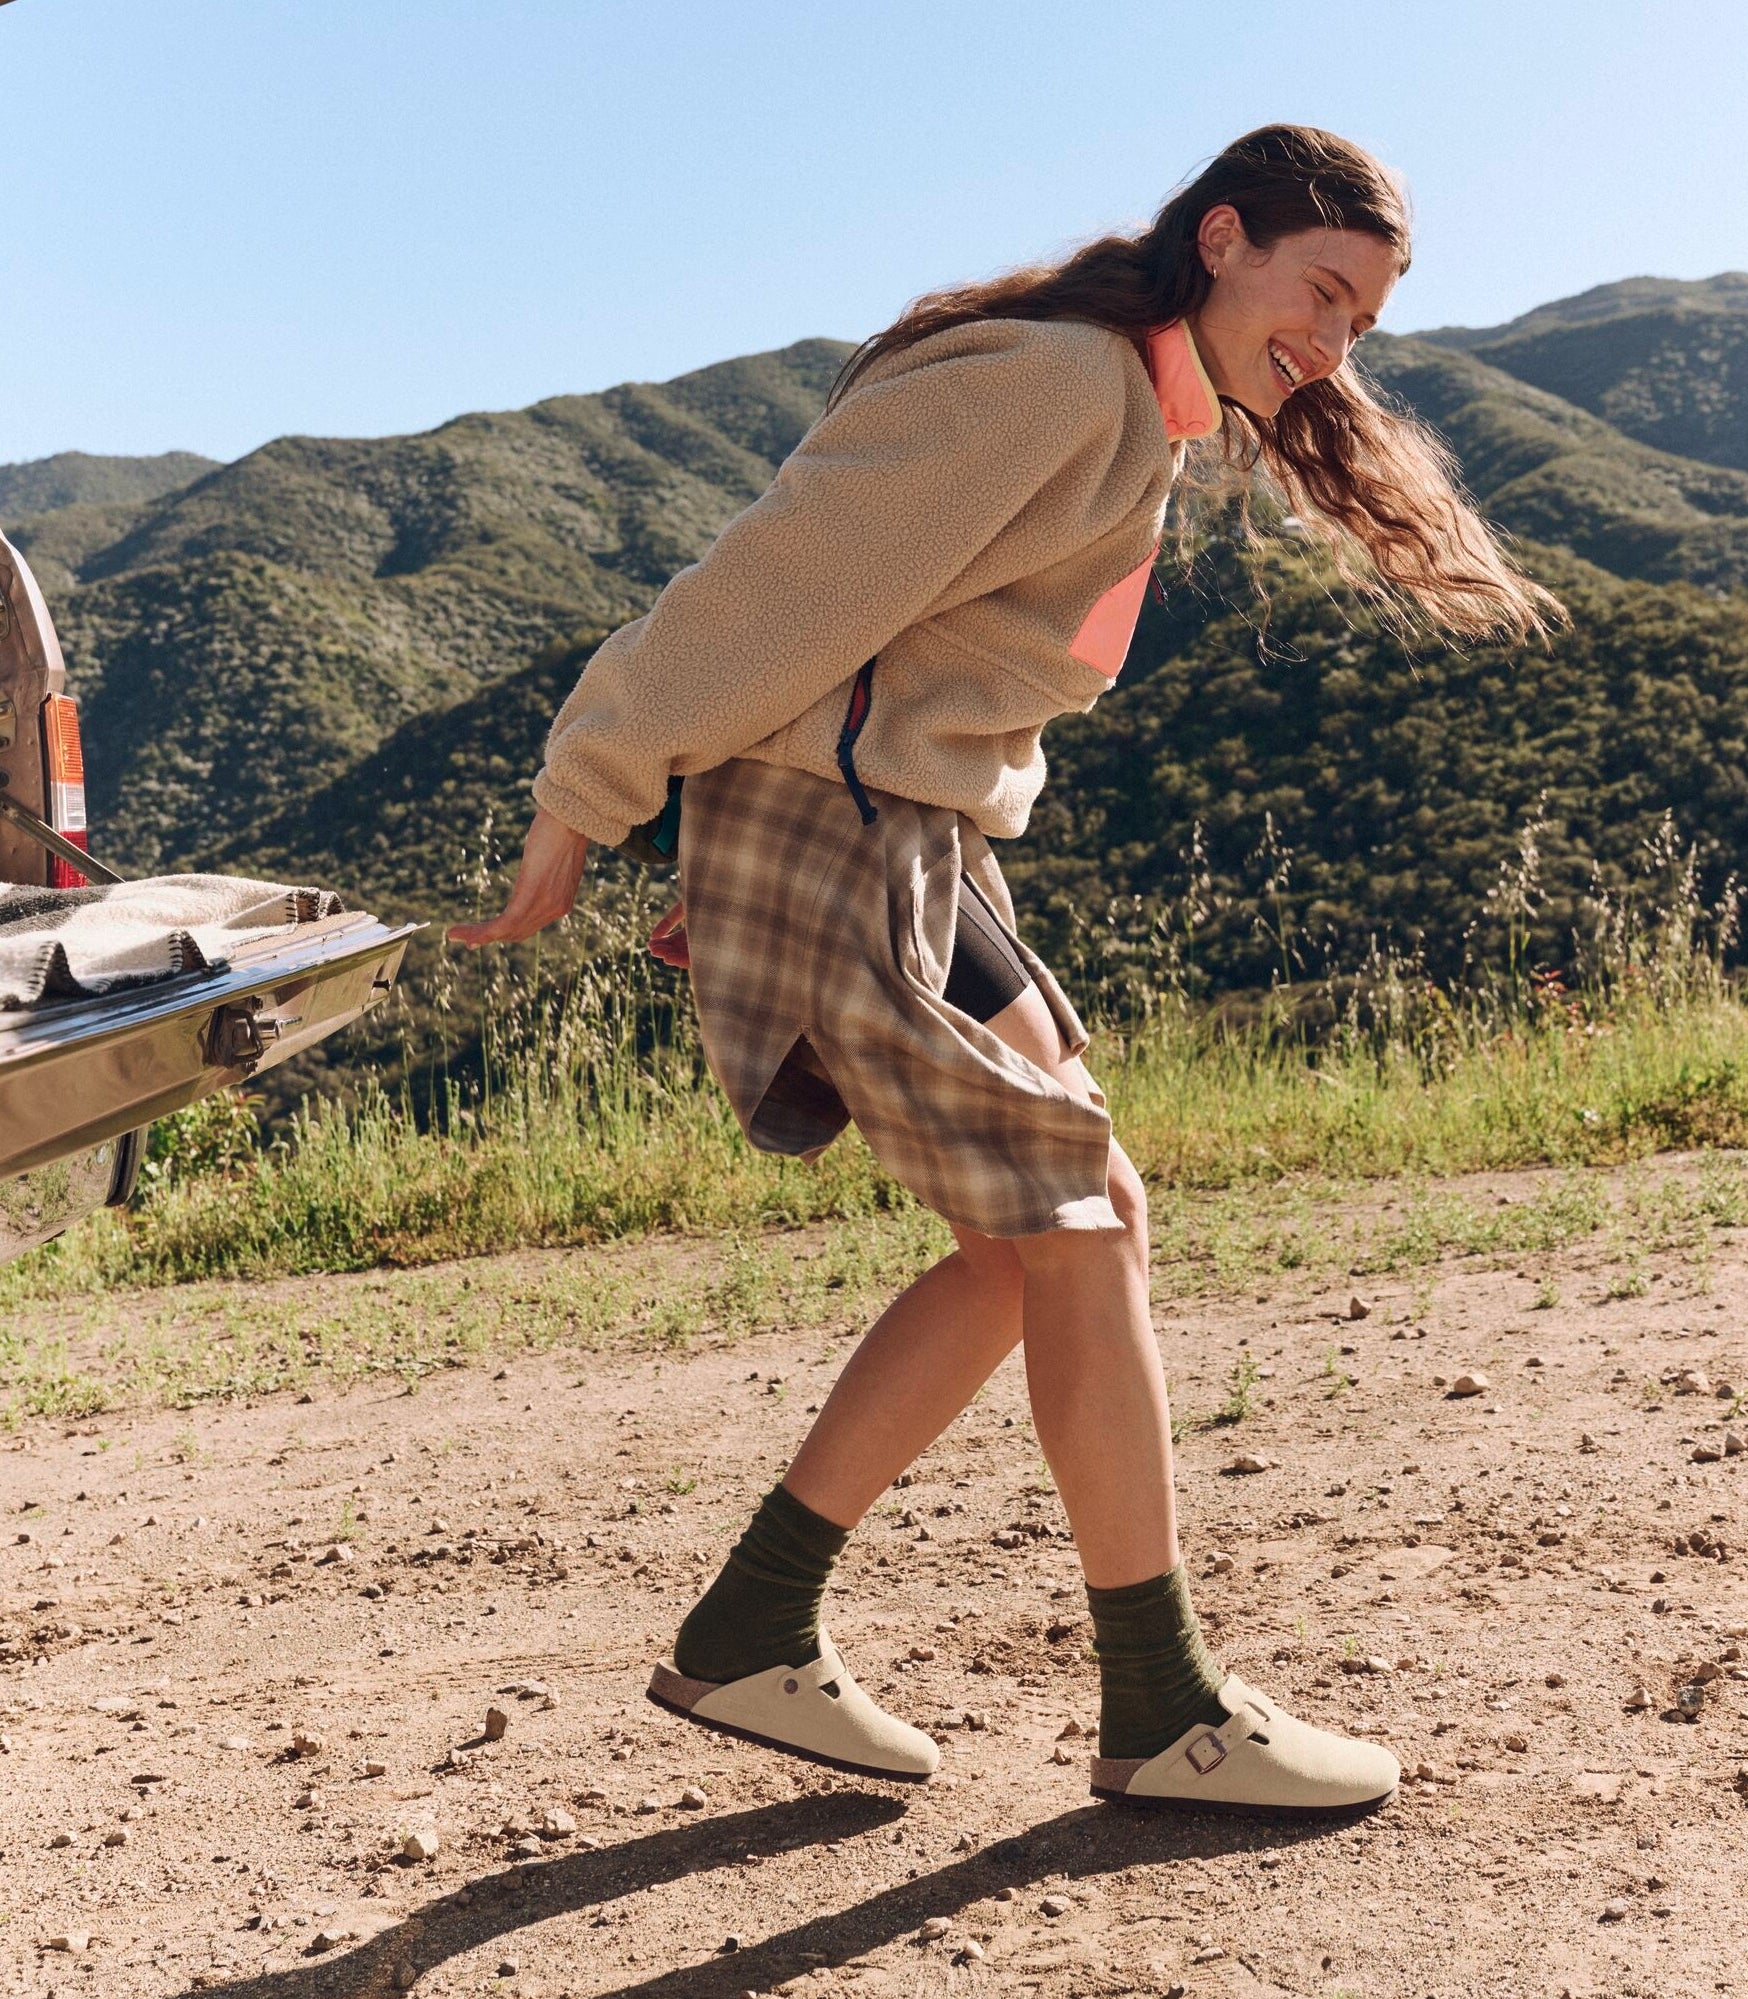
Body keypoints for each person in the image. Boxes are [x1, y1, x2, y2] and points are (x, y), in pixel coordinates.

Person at [450, 124, 1556, 1815]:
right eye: (1322, 294)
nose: (1334, 347)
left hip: (915, 838)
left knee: (1066, 1224)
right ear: (1224, 240)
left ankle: (755, 1626)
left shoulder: (1142, 406)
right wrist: (588, 796)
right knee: (1072, 1228)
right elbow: (772, 588)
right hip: (841, 828)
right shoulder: (1052, 381)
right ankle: (1161, 1709)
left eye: (1364, 323)